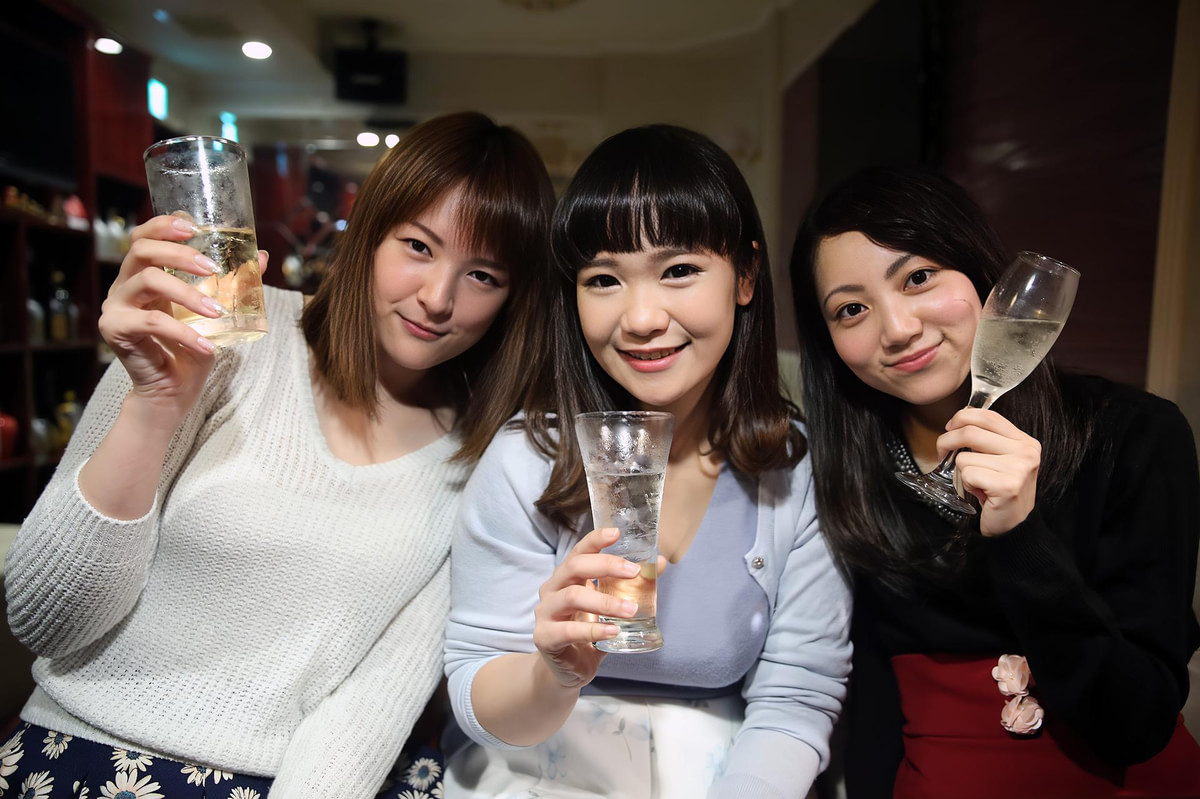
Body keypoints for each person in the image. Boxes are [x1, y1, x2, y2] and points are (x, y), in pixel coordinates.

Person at [3, 111, 554, 799]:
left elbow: (368, 711)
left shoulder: (487, 455)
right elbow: (45, 621)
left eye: (483, 276)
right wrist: (153, 404)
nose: (437, 298)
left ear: (512, 299)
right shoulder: (220, 328)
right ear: (371, 233)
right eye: (418, 246)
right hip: (77, 756)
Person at [442, 124, 852, 798]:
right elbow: (476, 692)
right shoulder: (526, 459)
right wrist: (553, 674)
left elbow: (794, 702)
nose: (639, 318)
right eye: (603, 279)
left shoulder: (795, 471)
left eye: (678, 270)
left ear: (746, 275)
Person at [789, 164, 1200, 798]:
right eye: (852, 309)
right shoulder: (843, 473)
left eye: (918, 278)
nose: (898, 329)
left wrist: (1019, 537)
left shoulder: (1135, 435)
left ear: (985, 276)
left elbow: (1135, 723)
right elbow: (870, 713)